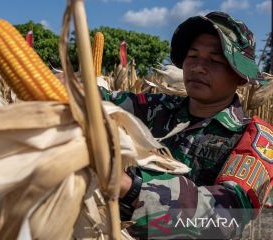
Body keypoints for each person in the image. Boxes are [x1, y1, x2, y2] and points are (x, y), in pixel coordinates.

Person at [99, 11, 273, 239]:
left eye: (215, 60)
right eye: (193, 56)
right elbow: (100, 103)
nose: (198, 67)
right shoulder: (159, 107)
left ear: (240, 77)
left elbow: (226, 215)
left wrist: (132, 187)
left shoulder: (254, 138)